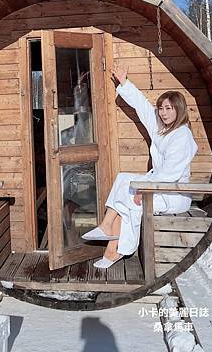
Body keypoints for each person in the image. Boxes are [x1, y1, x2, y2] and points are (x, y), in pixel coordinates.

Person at [82, 64, 198, 269]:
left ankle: (116, 250)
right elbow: (143, 106)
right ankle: (107, 226)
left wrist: (144, 190)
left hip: (175, 193)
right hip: (160, 185)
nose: (163, 113)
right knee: (123, 179)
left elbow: (170, 174)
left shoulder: (183, 136)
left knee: (129, 201)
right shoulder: (163, 129)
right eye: (161, 108)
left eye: (168, 108)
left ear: (178, 109)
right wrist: (124, 82)